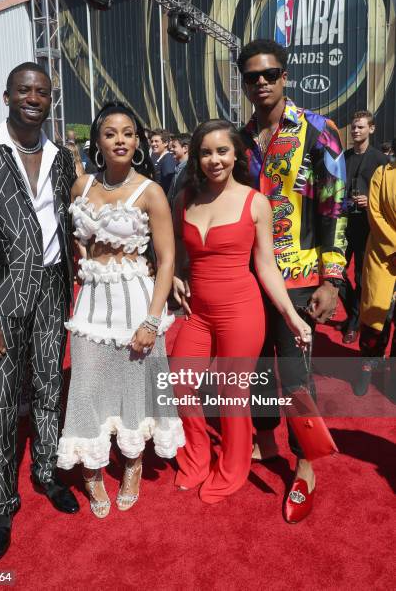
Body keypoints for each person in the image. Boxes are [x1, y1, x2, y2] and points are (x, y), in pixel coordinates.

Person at [0, 62, 79, 562]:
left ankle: (46, 474)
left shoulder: (59, 156)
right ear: (6, 96)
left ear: (50, 100)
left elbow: (64, 219)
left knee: (48, 387)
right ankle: (2, 503)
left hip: (51, 289)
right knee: (2, 399)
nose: (33, 97)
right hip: (0, 297)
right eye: (24, 90)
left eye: (42, 92)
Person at [170, 119, 311, 504]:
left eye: (221, 151)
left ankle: (233, 467)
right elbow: (180, 256)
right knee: (180, 382)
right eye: (205, 152)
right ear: (196, 158)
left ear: (236, 155)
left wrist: (291, 315)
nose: (214, 159)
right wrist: (176, 278)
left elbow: (266, 266)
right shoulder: (184, 199)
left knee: (234, 393)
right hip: (198, 312)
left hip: (241, 310)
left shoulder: (255, 202)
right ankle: (197, 456)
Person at [57, 102, 184, 518]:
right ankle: (91, 470)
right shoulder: (81, 186)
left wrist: (152, 319)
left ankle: (132, 463)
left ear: (138, 140)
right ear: (98, 140)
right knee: (88, 384)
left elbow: (166, 260)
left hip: (135, 299)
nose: (120, 140)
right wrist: (84, 254)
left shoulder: (151, 191)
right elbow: (75, 238)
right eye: (110, 133)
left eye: (128, 133)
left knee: (134, 384)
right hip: (92, 301)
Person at [238, 39, 347, 522]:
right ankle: (264, 443)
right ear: (243, 83)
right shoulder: (238, 138)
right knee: (258, 367)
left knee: (298, 375)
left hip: (300, 276)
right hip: (246, 277)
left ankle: (305, 463)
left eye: (270, 74)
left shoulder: (319, 130)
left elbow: (335, 206)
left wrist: (333, 279)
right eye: (252, 76)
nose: (261, 82)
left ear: (285, 77)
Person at [338, 111, 389, 344]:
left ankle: (354, 322)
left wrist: (370, 201)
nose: (355, 131)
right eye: (353, 127)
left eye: (360, 127)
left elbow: (387, 197)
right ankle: (354, 316)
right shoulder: (344, 158)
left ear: (372, 129)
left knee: (361, 277)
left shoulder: (380, 160)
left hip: (366, 226)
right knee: (335, 273)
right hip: (343, 223)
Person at [357, 146, 396, 395]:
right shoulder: (383, 173)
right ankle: (368, 366)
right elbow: (375, 212)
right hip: (384, 254)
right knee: (376, 317)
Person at [167, 133, 191, 208]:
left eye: (174, 147)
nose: (171, 149)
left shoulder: (190, 170)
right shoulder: (178, 167)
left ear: (185, 148)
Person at [150, 129, 176, 194]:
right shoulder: (159, 158)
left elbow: (168, 186)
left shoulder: (168, 160)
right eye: (152, 141)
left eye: (156, 141)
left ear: (165, 143)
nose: (153, 144)